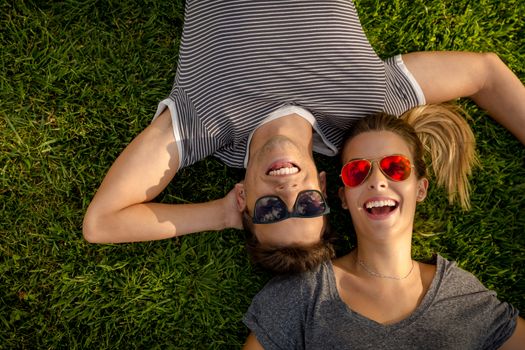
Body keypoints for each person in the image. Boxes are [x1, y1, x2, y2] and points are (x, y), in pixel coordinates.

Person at [82, 0, 525, 273]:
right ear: (326, 190)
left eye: (271, 209)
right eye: (308, 205)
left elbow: (102, 224)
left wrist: (219, 215)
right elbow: (485, 72)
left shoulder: (204, 124)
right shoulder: (366, 106)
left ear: (243, 198)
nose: (288, 190)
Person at [242, 109, 525, 349]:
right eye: (358, 171)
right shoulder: (303, 292)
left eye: (396, 167)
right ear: (342, 197)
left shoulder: (461, 297)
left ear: (420, 188)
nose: (377, 180)